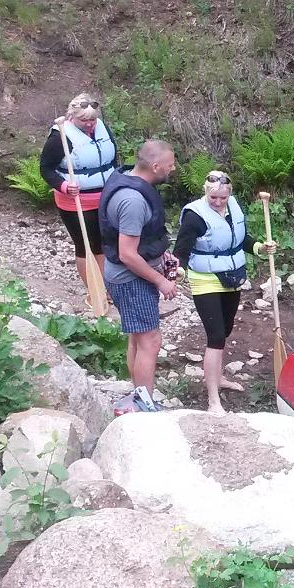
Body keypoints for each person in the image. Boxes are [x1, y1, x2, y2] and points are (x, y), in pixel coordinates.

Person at [171, 170, 274, 413]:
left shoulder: (233, 208)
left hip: (232, 276)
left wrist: (260, 247)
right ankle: (213, 399)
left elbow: (239, 239)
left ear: (230, 194)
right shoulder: (195, 216)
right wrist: (180, 271)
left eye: (222, 198)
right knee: (215, 336)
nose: (217, 202)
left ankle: (219, 378)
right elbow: (181, 250)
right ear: (206, 192)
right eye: (213, 197)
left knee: (225, 330)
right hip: (205, 279)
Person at [99, 140, 180, 413]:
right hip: (130, 279)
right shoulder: (133, 201)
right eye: (170, 165)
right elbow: (128, 254)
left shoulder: (124, 179)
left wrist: (160, 257)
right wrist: (160, 280)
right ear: (156, 166)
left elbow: (139, 242)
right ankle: (144, 404)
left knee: (137, 337)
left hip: (126, 276)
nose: (173, 168)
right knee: (150, 341)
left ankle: (137, 397)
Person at [37, 94, 119, 291]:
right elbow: (46, 168)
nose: (90, 124)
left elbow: (113, 158)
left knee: (105, 244)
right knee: (87, 245)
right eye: (84, 121)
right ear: (73, 117)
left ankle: (107, 287)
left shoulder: (101, 127)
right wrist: (64, 186)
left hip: (106, 198)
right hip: (75, 201)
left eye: (92, 119)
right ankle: (95, 289)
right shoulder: (60, 137)